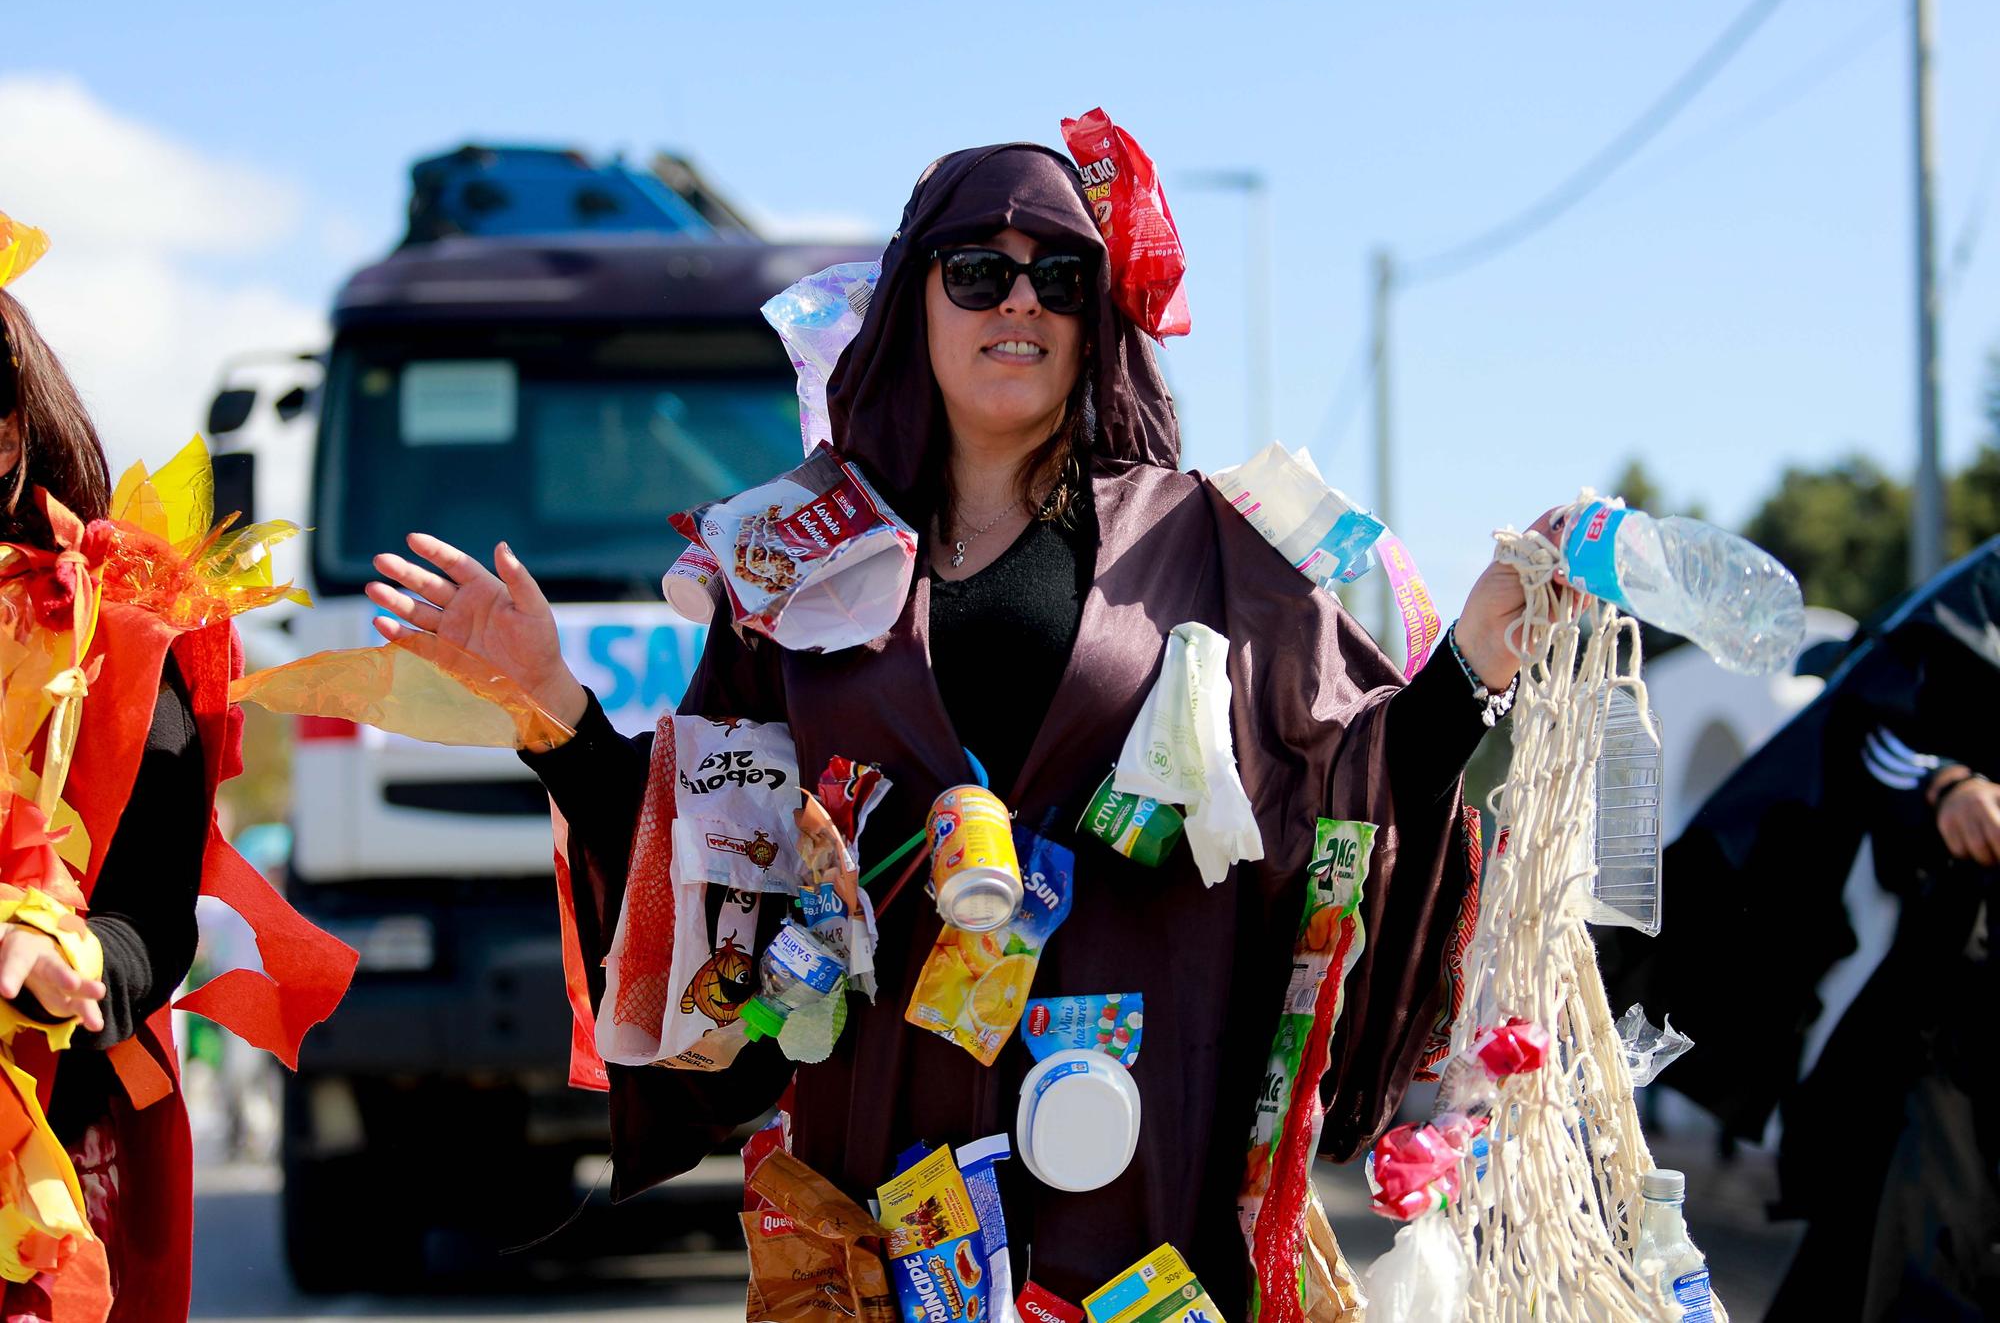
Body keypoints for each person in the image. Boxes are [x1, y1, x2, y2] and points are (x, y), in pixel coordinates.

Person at [367, 144, 1543, 1308]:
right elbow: (715, 850)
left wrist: (1470, 667)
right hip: (891, 1172)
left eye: (1059, 278)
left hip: (1136, 1159)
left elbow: (1344, 795)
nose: (1018, 301)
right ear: (912, 303)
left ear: (1093, 320)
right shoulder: (793, 564)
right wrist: (557, 709)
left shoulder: (1207, 547)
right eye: (976, 271)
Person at [0, 227, 353, 1320]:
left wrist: (58, 957)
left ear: (7, 432)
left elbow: (151, 923)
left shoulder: (119, 648)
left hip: (44, 1157)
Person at [1602, 538, 2000, 1320]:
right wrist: (1947, 786)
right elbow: (1870, 715)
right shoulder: (1985, 593)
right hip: (1964, 1000)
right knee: (1896, 1243)